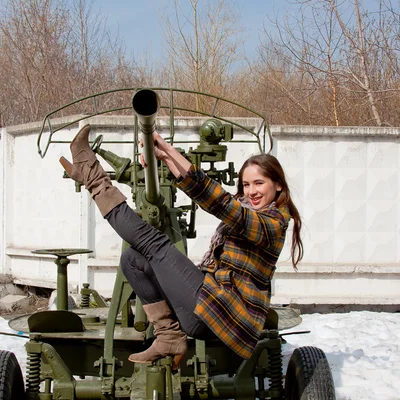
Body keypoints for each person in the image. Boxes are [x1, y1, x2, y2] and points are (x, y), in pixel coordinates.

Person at [60, 125, 303, 367]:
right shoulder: (250, 210)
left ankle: (92, 177)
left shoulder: (274, 224)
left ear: (278, 185)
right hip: (208, 304)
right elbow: (204, 188)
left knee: (153, 243)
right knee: (132, 260)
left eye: (259, 183)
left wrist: (164, 148)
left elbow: (219, 202)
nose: (251, 191)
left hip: (220, 314)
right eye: (247, 185)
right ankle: (168, 336)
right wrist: (164, 154)